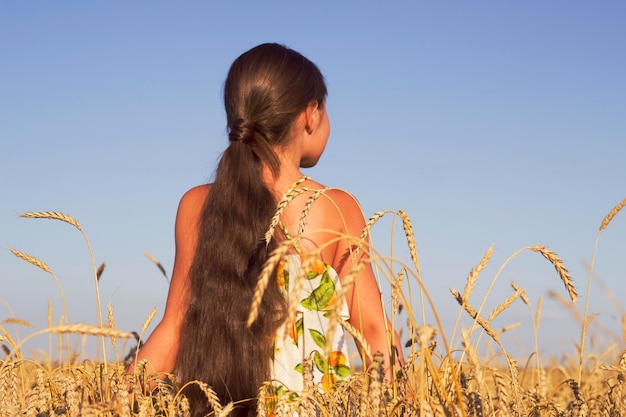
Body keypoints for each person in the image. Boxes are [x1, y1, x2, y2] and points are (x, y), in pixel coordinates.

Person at [131, 43, 403, 417]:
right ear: (311, 114)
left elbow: (174, 327)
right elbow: (374, 332)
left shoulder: (196, 205)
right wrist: (400, 404)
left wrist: (111, 401)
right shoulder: (336, 208)